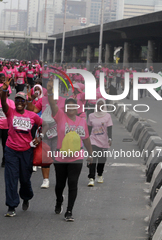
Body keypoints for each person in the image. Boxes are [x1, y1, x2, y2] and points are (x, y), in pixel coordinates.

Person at [47, 79, 93, 222]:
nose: (71, 107)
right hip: (60, 157)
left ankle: (69, 211)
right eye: (68, 106)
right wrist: (49, 92)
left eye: (74, 105)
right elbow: (53, 104)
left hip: (76, 157)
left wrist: (91, 155)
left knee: (73, 183)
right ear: (65, 108)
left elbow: (86, 139)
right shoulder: (60, 116)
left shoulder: (82, 122)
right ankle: (59, 200)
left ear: (78, 107)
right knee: (60, 184)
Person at [1, 78, 46, 217]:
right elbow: (3, 102)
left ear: (26, 103)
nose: (20, 103)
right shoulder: (10, 112)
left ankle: (26, 196)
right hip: (11, 150)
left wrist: (40, 137)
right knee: (11, 178)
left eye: (22, 100)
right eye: (17, 100)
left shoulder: (32, 115)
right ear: (15, 102)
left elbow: (46, 125)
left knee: (25, 179)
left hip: (27, 151)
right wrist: (4, 89)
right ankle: (11, 206)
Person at [87, 98, 113, 187]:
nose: (99, 106)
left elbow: (109, 128)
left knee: (102, 160)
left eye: (102, 104)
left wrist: (110, 139)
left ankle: (100, 174)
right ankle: (91, 178)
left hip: (104, 141)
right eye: (98, 104)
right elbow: (89, 129)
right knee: (93, 159)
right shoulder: (91, 116)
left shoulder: (107, 116)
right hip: (93, 140)